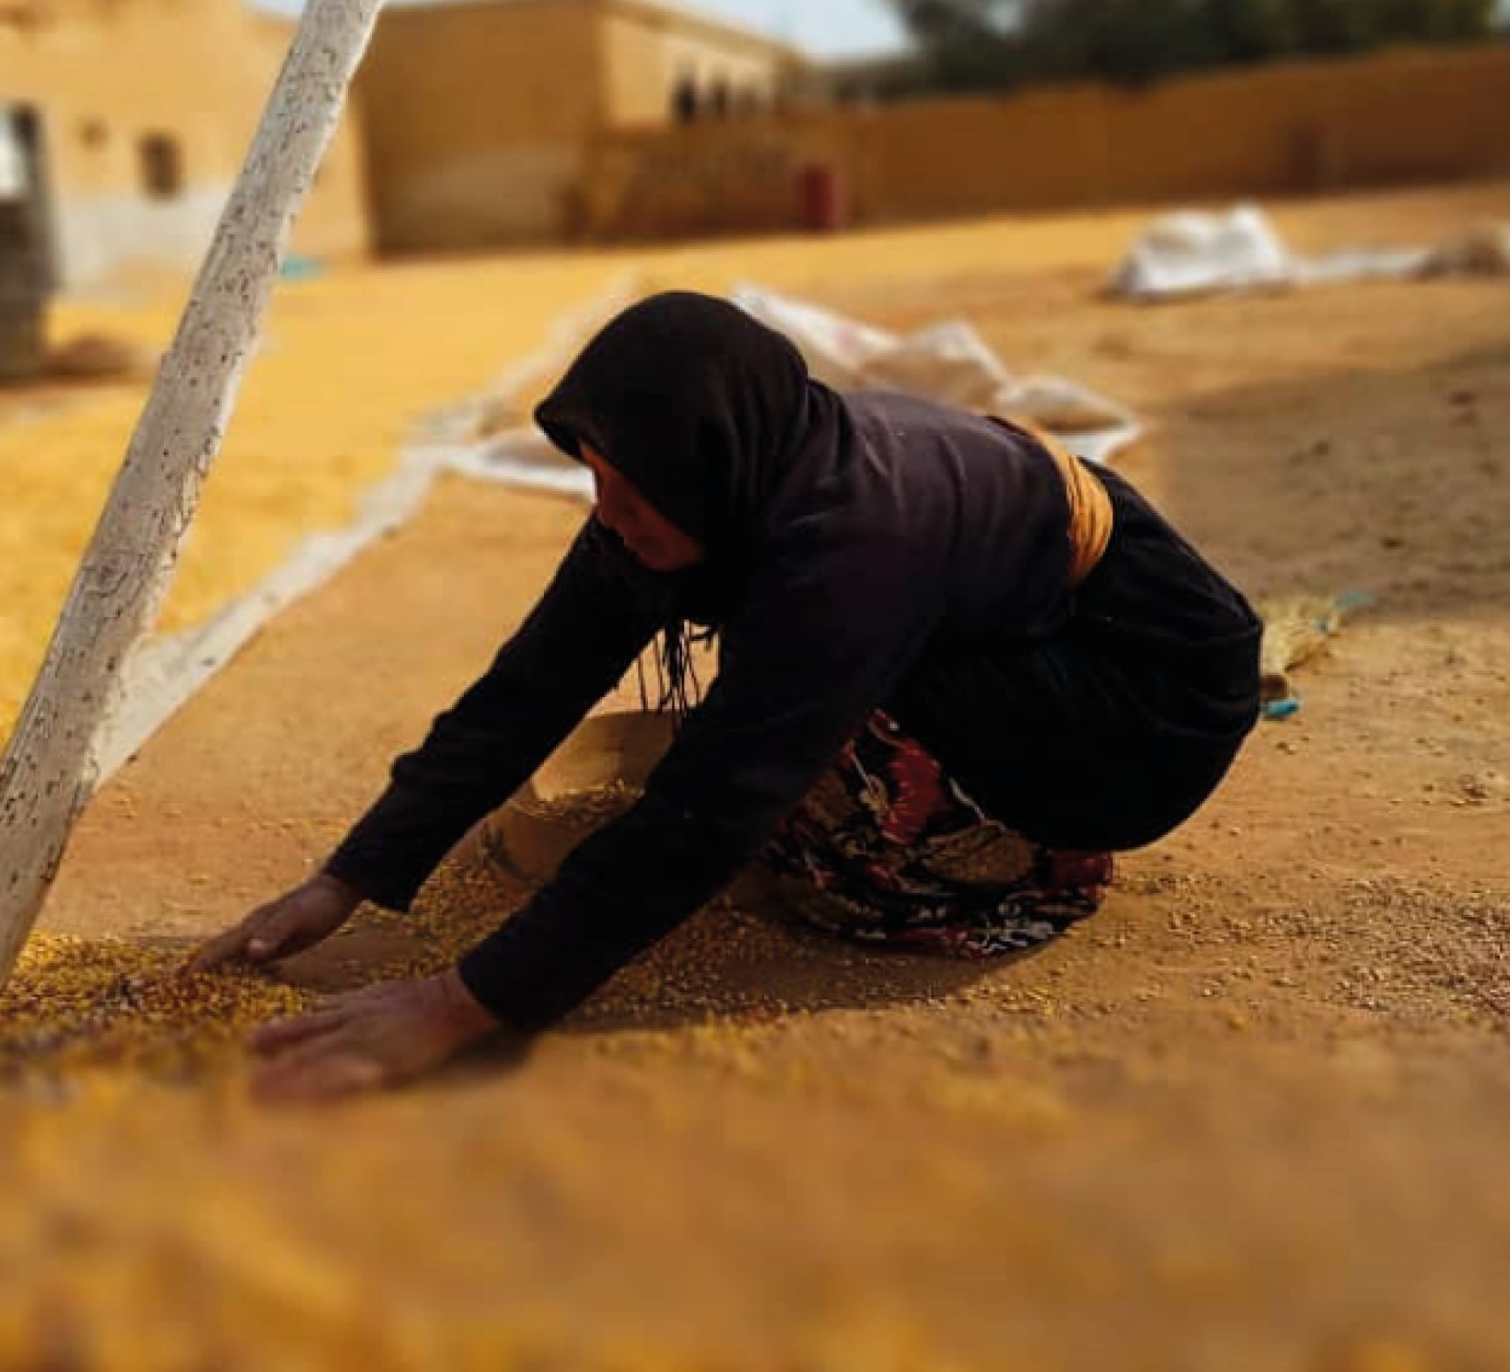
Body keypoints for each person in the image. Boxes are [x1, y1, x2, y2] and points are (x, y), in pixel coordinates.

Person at [193, 292, 1263, 1101]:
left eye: (627, 487)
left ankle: (1017, 863)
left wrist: (460, 1006)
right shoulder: (697, 477)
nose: (607, 514)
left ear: (710, 458)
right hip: (1019, 626)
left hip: (1143, 699)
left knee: (795, 748)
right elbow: (528, 688)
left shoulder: (848, 545)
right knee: (786, 709)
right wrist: (350, 876)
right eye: (593, 480)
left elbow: (712, 807)